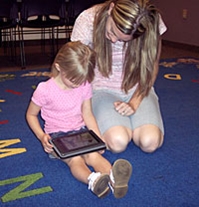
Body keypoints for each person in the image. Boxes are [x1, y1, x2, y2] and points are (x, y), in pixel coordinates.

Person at [26, 41, 132, 199]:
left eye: (81, 80)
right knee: (75, 160)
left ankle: (114, 179)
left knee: (94, 155)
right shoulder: (45, 90)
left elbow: (87, 112)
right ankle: (93, 180)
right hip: (57, 136)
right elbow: (30, 115)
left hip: (81, 132)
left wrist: (98, 137)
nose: (77, 85)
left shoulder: (84, 84)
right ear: (59, 67)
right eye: (73, 80)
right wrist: (42, 137)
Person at [71, 0, 167, 153]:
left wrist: (135, 102)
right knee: (118, 142)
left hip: (138, 87)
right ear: (111, 9)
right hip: (101, 89)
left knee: (150, 142)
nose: (114, 40)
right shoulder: (87, 19)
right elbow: (74, 66)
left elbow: (152, 65)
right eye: (112, 31)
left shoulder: (149, 20)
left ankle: (132, 123)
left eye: (123, 40)